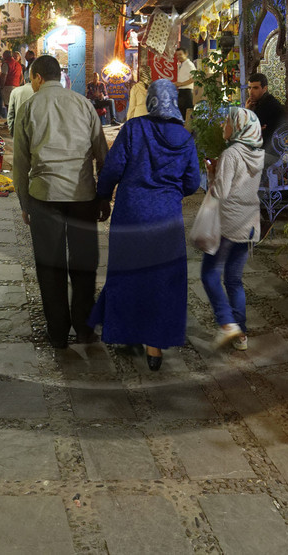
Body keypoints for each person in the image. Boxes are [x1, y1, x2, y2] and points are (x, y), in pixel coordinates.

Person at [89, 79, 202, 370]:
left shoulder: (134, 129)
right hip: (166, 219)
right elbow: (192, 182)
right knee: (162, 280)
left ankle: (127, 333)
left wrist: (102, 196)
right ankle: (155, 349)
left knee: (128, 274)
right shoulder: (185, 138)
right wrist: (170, 192)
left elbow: (113, 168)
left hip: (131, 215)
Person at [11, 55, 109, 349]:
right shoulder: (84, 104)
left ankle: (57, 332)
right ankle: (83, 327)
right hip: (82, 196)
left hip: (44, 196)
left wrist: (24, 202)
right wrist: (103, 196)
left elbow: (20, 162)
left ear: (38, 77)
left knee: (50, 267)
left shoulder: (29, 107)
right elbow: (101, 152)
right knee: (84, 264)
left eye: (31, 78)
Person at [201, 107, 266, 351]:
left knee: (209, 274)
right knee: (234, 280)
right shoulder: (256, 153)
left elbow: (221, 192)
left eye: (226, 122)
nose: (223, 126)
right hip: (249, 224)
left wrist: (211, 173)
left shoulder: (231, 154)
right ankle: (241, 335)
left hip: (228, 223)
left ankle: (228, 323)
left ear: (238, 126)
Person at [247, 73, 285, 158]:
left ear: (265, 88)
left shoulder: (267, 105)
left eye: (255, 88)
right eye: (249, 88)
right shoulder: (261, 103)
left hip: (273, 155)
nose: (251, 92)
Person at [174, 48, 196, 119]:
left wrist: (181, 84)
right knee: (182, 113)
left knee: (187, 114)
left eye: (180, 54)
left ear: (186, 54)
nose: (178, 57)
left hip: (187, 92)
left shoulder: (189, 64)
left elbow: (194, 78)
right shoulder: (182, 65)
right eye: (177, 55)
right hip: (181, 92)